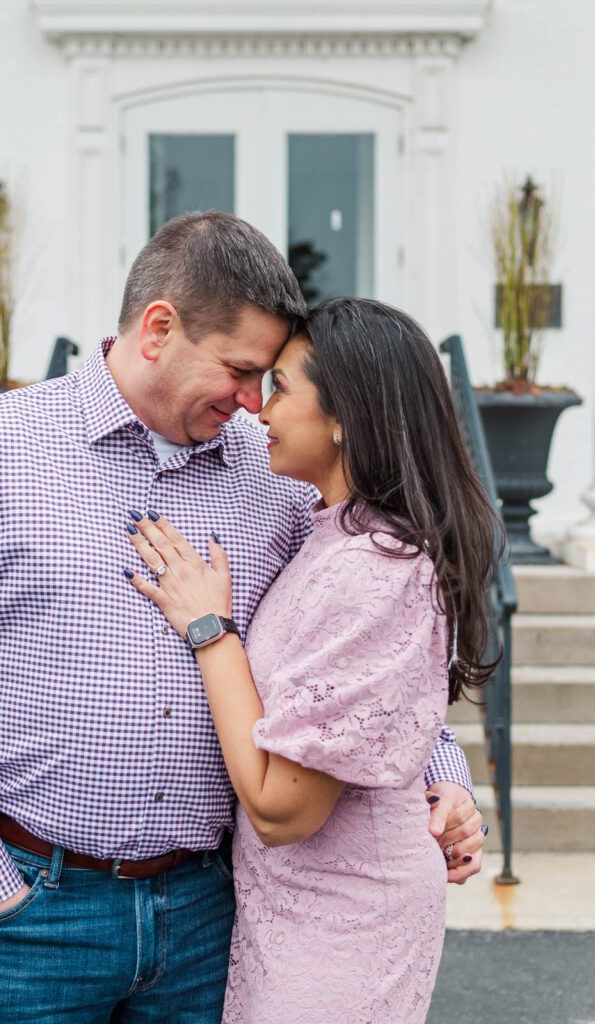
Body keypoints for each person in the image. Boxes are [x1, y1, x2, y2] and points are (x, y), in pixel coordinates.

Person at [0, 213, 484, 1024]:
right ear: (158, 329)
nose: (254, 404)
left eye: (272, 383)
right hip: (32, 916)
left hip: (210, 914)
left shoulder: (281, 474)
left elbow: (354, 663)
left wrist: (441, 775)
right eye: (242, 371)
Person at [122, 297, 499, 1023]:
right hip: (291, 912)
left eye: (282, 387)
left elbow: (280, 808)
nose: (258, 409)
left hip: (341, 925)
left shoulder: (373, 568)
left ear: (343, 419)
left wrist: (212, 630)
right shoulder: (333, 536)